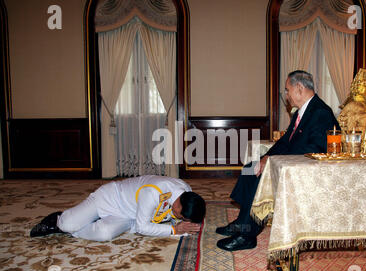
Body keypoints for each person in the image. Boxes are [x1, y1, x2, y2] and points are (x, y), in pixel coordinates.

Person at [216, 70, 340, 251]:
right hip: (291, 164)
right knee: (251, 167)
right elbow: (285, 142)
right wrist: (267, 157)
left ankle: (247, 236)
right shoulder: (302, 111)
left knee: (261, 176)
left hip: (307, 171)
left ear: (299, 88)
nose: (287, 95)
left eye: (287, 90)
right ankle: (243, 221)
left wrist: (274, 161)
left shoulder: (320, 112)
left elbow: (315, 149)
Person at [30, 175, 206, 241]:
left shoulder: (186, 191)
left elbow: (139, 224)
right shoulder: (154, 192)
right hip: (110, 198)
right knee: (68, 224)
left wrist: (182, 226)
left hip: (128, 216)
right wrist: (174, 230)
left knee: (105, 234)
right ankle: (58, 220)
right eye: (182, 216)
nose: (180, 219)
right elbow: (143, 228)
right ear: (179, 204)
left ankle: (80, 226)